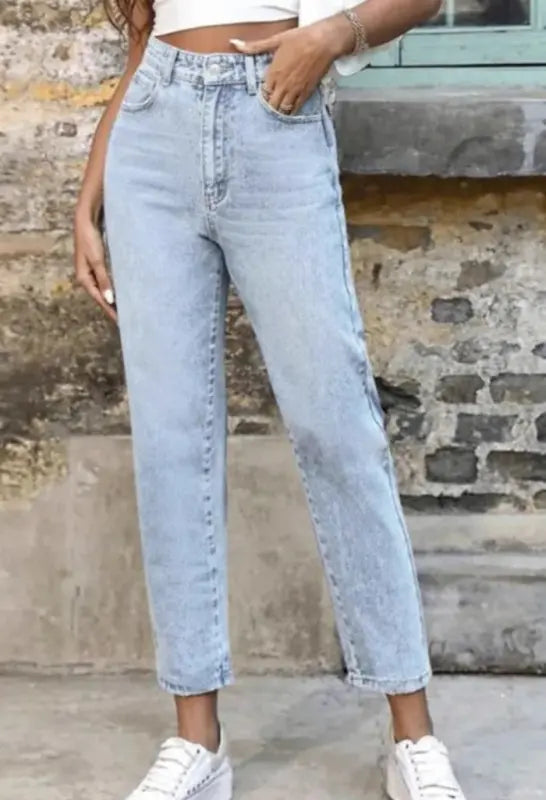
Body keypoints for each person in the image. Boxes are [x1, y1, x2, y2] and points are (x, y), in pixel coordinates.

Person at [74, 1, 467, 798]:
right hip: (152, 139)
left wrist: (331, 36)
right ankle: (197, 741)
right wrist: (89, 199)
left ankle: (413, 734)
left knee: (337, 429)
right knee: (171, 440)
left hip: (274, 118)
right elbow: (146, 40)